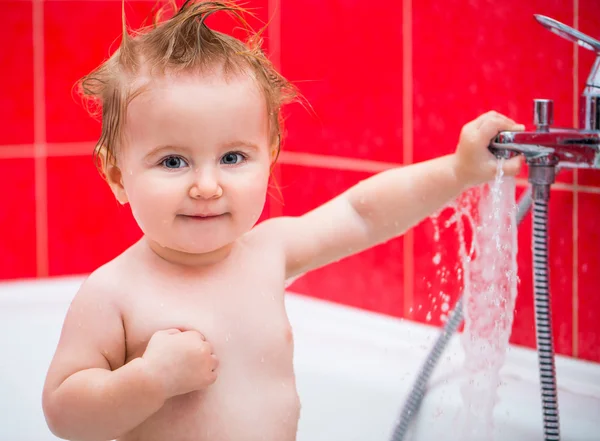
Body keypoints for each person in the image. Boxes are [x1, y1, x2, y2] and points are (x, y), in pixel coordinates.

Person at [41, 1, 524, 440]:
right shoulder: (113, 293)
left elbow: (362, 213)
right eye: (173, 162)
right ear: (116, 175)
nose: (207, 186)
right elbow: (64, 414)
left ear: (269, 157)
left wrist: (458, 171)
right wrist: (149, 380)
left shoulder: (267, 252)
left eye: (233, 157)